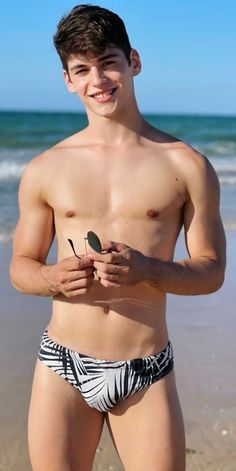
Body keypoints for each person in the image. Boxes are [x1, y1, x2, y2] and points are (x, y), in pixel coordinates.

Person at [9, 4, 226, 471]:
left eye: (109, 62)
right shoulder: (47, 168)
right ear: (67, 79)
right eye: (82, 69)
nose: (98, 79)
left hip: (144, 367)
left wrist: (148, 269)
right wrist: (52, 278)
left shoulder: (186, 166)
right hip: (62, 364)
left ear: (134, 62)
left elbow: (211, 272)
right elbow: (21, 268)